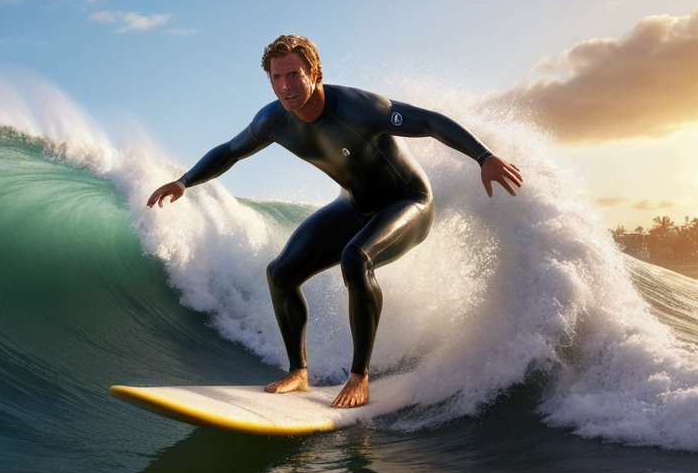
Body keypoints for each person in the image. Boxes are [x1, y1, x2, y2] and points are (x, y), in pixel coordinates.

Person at [148, 35, 522, 408]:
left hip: (409, 201)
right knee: (281, 274)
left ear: (316, 73)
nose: (285, 87)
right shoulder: (273, 121)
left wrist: (483, 156)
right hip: (356, 205)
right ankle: (299, 372)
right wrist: (184, 181)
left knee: (355, 258)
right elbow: (230, 152)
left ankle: (359, 377)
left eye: (293, 75)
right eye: (277, 78)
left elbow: (426, 120)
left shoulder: (359, 108)